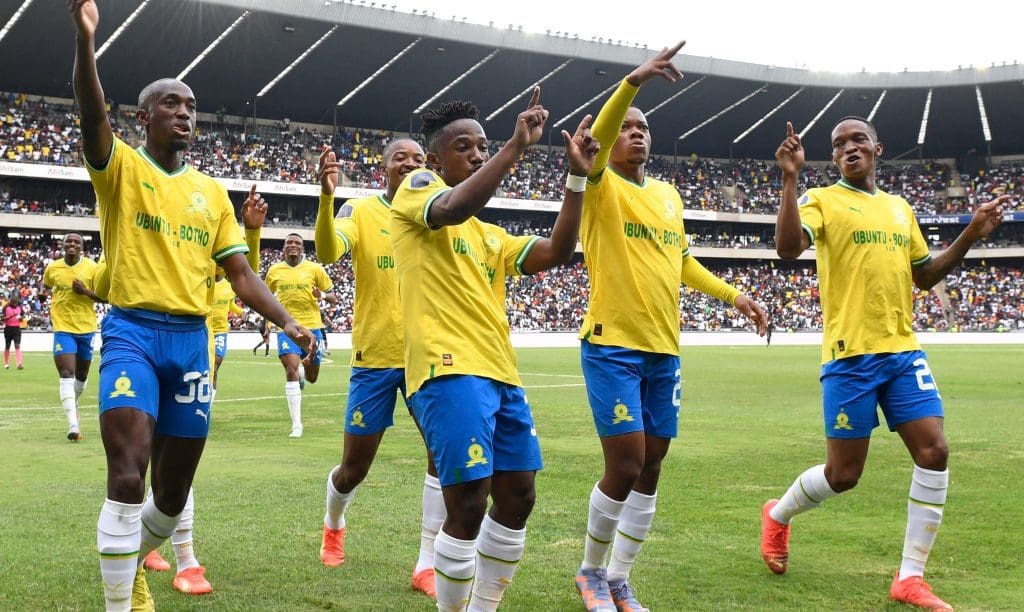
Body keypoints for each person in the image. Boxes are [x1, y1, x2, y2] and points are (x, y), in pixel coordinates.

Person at [69, 3, 315, 610]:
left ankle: (132, 557)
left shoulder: (212, 193)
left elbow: (241, 273)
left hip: (191, 341)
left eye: (191, 106)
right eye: (171, 104)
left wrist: (287, 320)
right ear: (143, 117)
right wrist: (85, 41)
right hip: (131, 333)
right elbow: (91, 115)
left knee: (172, 494)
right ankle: (121, 601)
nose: (185, 112)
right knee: (128, 472)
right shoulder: (121, 167)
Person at [762, 116, 1008, 611]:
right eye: (839, 145)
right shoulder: (820, 200)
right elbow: (787, 249)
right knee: (844, 475)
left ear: (878, 148)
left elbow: (925, 275)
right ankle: (778, 515)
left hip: (902, 352)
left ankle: (909, 578)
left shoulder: (900, 208)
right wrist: (790, 178)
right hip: (849, 357)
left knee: (934, 451)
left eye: (858, 140)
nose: (849, 148)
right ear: (833, 157)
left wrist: (970, 234)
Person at [572, 44, 768, 612]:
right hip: (612, 345)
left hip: (664, 350)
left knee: (652, 464)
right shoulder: (601, 184)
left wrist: (736, 296)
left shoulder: (668, 195)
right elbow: (597, 136)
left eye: (644, 128)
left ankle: (619, 578)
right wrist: (632, 83)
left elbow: (681, 262)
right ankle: (590, 572)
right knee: (625, 463)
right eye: (627, 128)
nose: (636, 133)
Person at [391, 89, 600, 612]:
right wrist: (515, 147)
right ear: (435, 160)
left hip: (502, 375)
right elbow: (454, 206)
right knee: (467, 502)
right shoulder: (417, 191)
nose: (478, 155)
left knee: (519, 497)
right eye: (464, 147)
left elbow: (558, 252)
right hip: (447, 370)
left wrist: (576, 179)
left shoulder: (490, 236)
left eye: (482, 147)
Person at [314, 139, 443, 597]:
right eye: (400, 158)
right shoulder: (361, 210)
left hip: (426, 358)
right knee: (354, 468)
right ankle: (334, 523)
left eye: (418, 159)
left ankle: (427, 561)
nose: (410, 163)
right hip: (374, 358)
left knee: (440, 454)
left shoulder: (436, 212)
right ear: (384, 167)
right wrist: (327, 198)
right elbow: (328, 251)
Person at [251, 226, 337, 438]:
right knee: (290, 369)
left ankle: (302, 374)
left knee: (312, 377)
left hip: (312, 328)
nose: (293, 245)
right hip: (286, 328)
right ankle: (297, 425)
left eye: (297, 243)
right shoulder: (274, 271)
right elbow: (266, 299)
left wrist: (321, 296)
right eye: (289, 242)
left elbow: (333, 297)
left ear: (302, 249)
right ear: (283, 248)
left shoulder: (315, 269)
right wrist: (267, 326)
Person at [42, 232, 104, 441]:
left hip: (86, 328)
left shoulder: (92, 268)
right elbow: (46, 286)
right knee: (66, 372)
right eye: (68, 241)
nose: (72, 244)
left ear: (81, 247)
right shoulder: (53, 268)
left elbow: (105, 297)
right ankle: (73, 425)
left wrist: (85, 291)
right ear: (62, 245)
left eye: (76, 242)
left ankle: (73, 401)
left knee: (82, 375)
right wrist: (44, 295)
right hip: (63, 328)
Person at [3, 290, 25, 370]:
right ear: (11, 302)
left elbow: (22, 317)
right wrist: (10, 317)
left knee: (17, 345)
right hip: (8, 328)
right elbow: (2, 319)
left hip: (17, 329)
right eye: (14, 303)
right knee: (7, 346)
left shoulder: (20, 308)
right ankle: (6, 363)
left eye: (16, 303)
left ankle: (19, 364)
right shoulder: (6, 308)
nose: (15, 305)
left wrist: (21, 319)